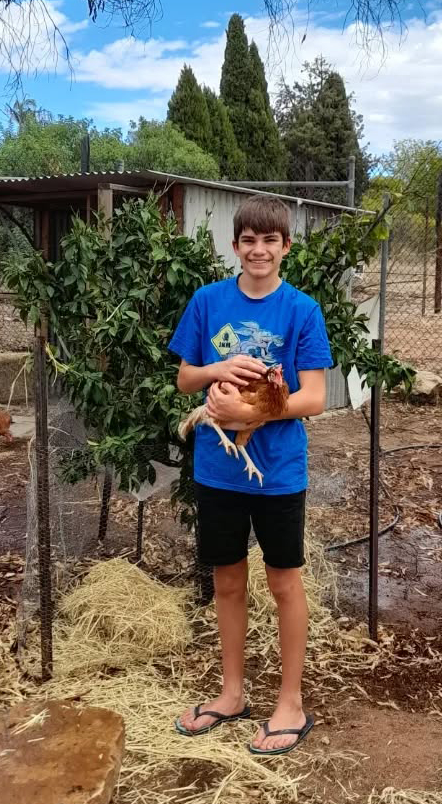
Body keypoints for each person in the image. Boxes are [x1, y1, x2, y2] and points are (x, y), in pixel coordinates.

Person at [168, 194, 332, 755]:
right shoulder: (208, 301)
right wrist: (219, 368)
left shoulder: (301, 311)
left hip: (278, 471)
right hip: (219, 470)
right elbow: (185, 379)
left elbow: (314, 397)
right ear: (235, 246)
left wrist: (249, 411)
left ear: (286, 247)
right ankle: (232, 693)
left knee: (283, 581)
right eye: (249, 240)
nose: (259, 250)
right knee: (227, 581)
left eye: (269, 240)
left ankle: (291, 703)